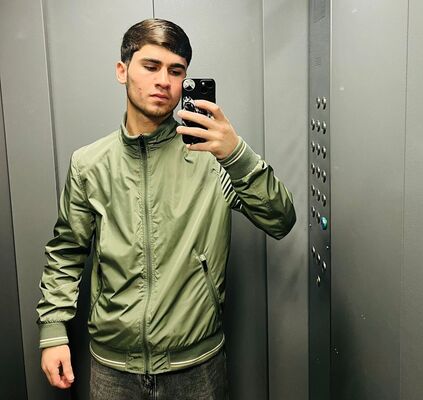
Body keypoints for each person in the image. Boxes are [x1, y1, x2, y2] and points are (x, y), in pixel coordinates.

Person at [36, 18, 296, 400]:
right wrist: (53, 330)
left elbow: (281, 219)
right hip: (113, 369)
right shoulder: (89, 164)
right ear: (122, 71)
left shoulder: (212, 158)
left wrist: (236, 155)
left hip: (197, 366)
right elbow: (66, 251)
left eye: (176, 71)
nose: (164, 81)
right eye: (151, 66)